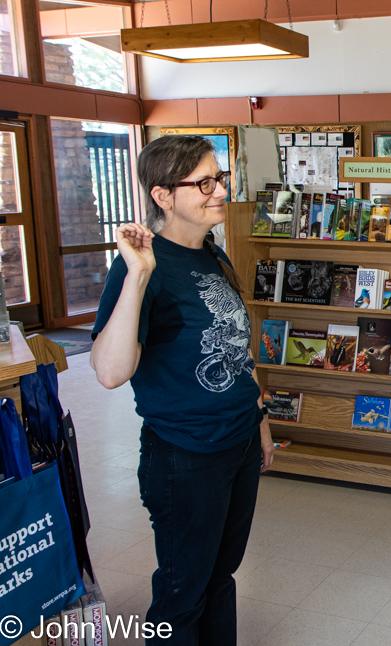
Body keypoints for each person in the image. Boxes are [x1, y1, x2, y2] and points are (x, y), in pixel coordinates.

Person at [90, 135, 274, 646]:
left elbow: (237, 352)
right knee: (183, 588)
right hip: (185, 454)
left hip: (236, 442)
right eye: (205, 182)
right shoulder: (143, 268)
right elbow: (109, 371)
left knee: (220, 575)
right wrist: (138, 275)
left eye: (221, 179)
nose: (220, 191)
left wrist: (258, 421)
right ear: (163, 196)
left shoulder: (212, 254)